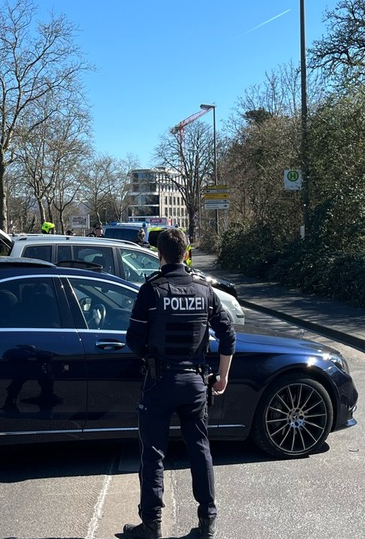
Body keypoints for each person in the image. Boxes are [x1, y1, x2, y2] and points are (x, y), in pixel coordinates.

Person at [121, 228, 235, 539]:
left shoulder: (152, 290)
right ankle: (207, 522)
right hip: (196, 382)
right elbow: (228, 335)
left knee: (153, 452)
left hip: (159, 381)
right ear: (186, 254)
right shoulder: (204, 290)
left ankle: (151, 525)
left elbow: (133, 340)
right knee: (200, 450)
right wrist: (222, 375)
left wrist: (149, 357)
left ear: (159, 255)